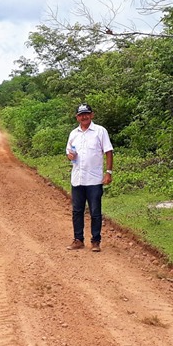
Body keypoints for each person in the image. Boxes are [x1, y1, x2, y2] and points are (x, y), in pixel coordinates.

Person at [65, 103, 113, 252]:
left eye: (86, 114)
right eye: (81, 115)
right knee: (77, 211)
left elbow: (109, 152)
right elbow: (69, 153)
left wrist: (108, 172)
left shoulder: (100, 131)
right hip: (78, 178)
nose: (84, 117)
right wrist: (70, 156)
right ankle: (78, 239)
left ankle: (96, 241)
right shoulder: (74, 134)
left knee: (95, 211)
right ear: (77, 117)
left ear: (92, 115)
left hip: (94, 179)